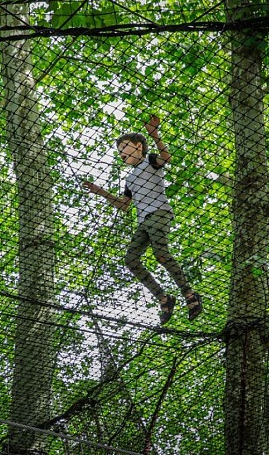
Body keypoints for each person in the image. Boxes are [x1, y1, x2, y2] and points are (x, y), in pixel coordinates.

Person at [83, 114, 202, 325]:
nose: (121, 153)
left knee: (160, 254)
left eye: (124, 148)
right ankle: (164, 298)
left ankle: (189, 294)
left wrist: (154, 134)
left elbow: (166, 158)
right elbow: (123, 205)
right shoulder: (129, 178)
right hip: (143, 221)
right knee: (131, 260)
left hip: (159, 213)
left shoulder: (150, 161)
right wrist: (98, 191)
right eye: (119, 151)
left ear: (139, 147)